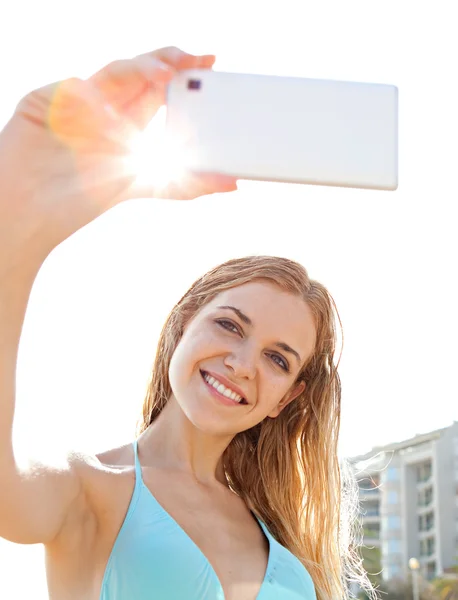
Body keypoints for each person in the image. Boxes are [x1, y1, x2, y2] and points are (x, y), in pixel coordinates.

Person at [0, 47, 378, 600]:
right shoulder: (91, 490)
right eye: (229, 325)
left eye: (277, 358)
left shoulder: (286, 543)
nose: (242, 363)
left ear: (286, 398)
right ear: (181, 326)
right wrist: (19, 207)